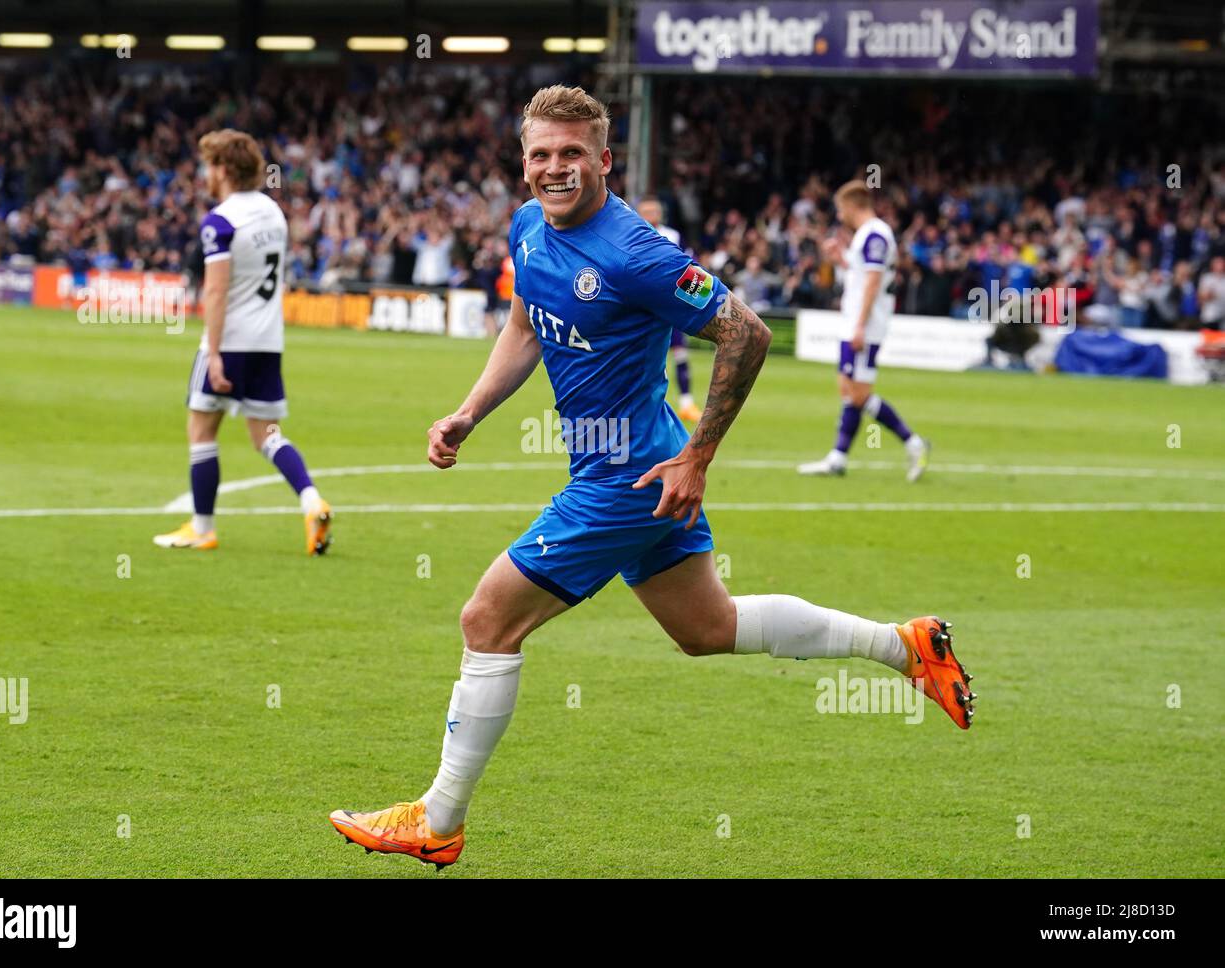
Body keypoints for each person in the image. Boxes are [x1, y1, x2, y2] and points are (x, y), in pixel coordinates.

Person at [328, 88, 973, 869]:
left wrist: (699, 456)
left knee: (486, 620)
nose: (556, 168)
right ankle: (905, 647)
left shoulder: (637, 253)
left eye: (573, 153)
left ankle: (438, 818)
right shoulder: (528, 226)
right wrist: (470, 413)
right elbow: (525, 326)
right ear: (524, 161)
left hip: (629, 477)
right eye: (541, 154)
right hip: (633, 469)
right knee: (708, 629)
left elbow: (748, 331)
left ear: (604, 159)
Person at [153, 129, 332, 555]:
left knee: (201, 426)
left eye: (208, 165)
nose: (204, 174)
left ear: (224, 169)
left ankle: (202, 527)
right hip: (268, 341)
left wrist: (213, 353)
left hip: (230, 339)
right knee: (266, 434)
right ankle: (312, 501)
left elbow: (215, 291)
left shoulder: (220, 221)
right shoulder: (273, 213)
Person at [798, 181, 930, 481]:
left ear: (852, 205)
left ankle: (914, 443)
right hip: (854, 321)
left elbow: (873, 281)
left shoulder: (875, 234)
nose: (839, 214)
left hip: (866, 325)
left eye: (840, 208)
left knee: (859, 393)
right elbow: (861, 276)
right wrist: (840, 260)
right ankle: (838, 457)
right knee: (847, 387)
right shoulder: (865, 237)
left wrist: (860, 325)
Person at [637, 196, 701, 422]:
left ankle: (686, 403)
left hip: (670, 304)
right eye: (646, 211)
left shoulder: (672, 236)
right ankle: (644, 405)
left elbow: (689, 265)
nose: (651, 215)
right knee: (643, 356)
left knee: (680, 352)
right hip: (641, 305)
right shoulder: (631, 235)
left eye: (654, 210)